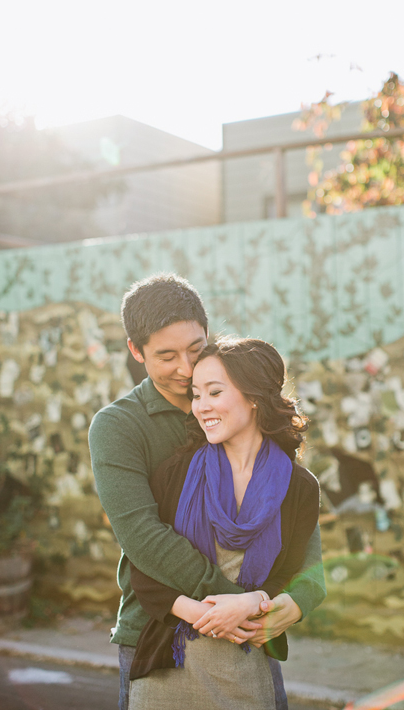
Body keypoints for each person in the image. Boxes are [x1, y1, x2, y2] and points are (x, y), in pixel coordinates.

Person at [89, 273, 325, 710]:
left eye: (194, 349)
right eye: (165, 356)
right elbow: (142, 538)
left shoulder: (240, 413)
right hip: (160, 630)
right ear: (136, 352)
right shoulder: (118, 426)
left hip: (251, 634)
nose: (184, 368)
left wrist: (298, 600)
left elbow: (298, 529)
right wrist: (236, 606)